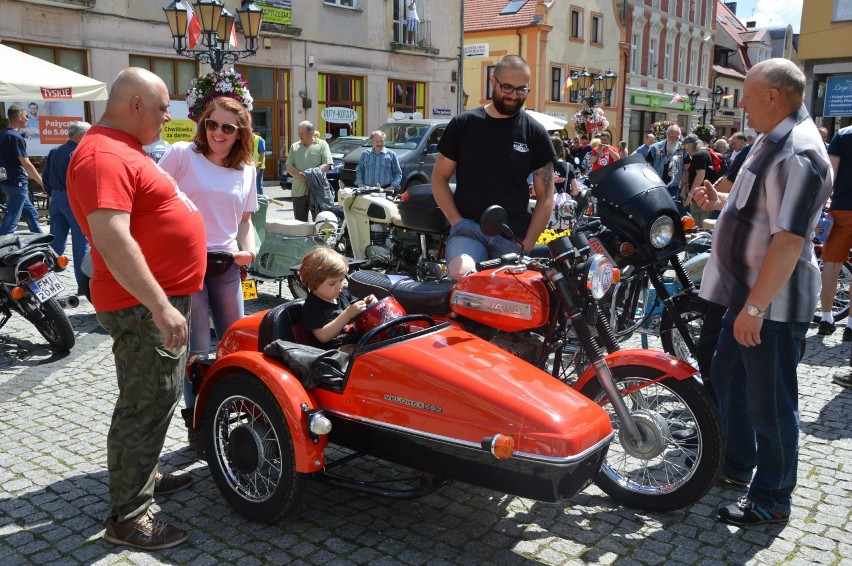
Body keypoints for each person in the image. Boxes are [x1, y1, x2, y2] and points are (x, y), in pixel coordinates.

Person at [67, 67, 206, 549]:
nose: (170, 117)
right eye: (164, 107)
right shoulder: (104, 154)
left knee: (155, 397)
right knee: (144, 405)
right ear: (136, 106)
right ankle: (129, 517)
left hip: (153, 300)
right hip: (142, 305)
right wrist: (161, 306)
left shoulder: (122, 148)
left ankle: (142, 478)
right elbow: (110, 236)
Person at [692, 58, 833, 526]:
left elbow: (789, 239)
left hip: (768, 304)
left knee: (770, 402)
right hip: (747, 297)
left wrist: (755, 306)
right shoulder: (769, 142)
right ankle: (736, 464)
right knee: (728, 377)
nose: (742, 105)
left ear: (773, 97)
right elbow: (756, 212)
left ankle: (772, 498)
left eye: (748, 96)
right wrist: (719, 205)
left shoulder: (796, 151)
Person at [157, 96, 258, 455]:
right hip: (187, 265)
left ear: (239, 133)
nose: (217, 132)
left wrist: (251, 248)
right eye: (212, 124)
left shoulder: (246, 168)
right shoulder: (183, 153)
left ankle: (239, 418)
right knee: (197, 352)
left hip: (227, 265)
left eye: (227, 127)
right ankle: (198, 427)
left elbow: (245, 223)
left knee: (238, 346)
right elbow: (152, 199)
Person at [431, 54, 556, 280]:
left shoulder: (535, 133)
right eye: (507, 87)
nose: (513, 95)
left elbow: (546, 195)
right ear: (492, 81)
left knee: (514, 297)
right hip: (469, 231)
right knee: (463, 273)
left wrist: (527, 243)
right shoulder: (464, 124)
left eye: (521, 90)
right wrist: (457, 221)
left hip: (512, 237)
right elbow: (439, 178)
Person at [42, 121, 92, 294]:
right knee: (81, 243)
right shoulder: (77, 153)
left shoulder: (54, 151)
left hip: (56, 198)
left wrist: (53, 193)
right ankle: (82, 286)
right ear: (80, 137)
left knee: (54, 244)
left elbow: (45, 177)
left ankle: (41, 282)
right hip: (72, 199)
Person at [300, 247, 376, 355]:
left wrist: (369, 303)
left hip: (358, 343)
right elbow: (323, 336)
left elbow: (358, 309)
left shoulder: (344, 295)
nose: (340, 286)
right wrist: (347, 314)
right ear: (314, 283)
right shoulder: (312, 307)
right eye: (332, 283)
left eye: (341, 280)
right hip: (332, 354)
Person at [817, 125, 852, 339]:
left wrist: (821, 207)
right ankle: (850, 325)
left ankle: (826, 318)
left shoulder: (843, 134)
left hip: (841, 207)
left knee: (831, 264)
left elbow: (831, 174)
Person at [0, 104, 45, 235]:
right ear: (19, 117)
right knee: (11, 221)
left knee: (32, 215)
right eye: (26, 116)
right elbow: (26, 163)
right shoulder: (16, 137)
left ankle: (42, 242)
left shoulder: (2, 135)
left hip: (7, 182)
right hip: (17, 183)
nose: (27, 119)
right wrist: (41, 181)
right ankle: (3, 250)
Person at [285, 121, 331, 221]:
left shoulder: (322, 145)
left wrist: (310, 176)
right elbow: (288, 166)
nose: (299, 136)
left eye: (302, 133)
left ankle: (317, 238)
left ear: (311, 133)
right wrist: (302, 176)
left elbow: (326, 165)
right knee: (300, 224)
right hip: (299, 192)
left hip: (317, 191)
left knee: (319, 222)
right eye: (299, 133)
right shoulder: (294, 146)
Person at [646, 124, 690, 216]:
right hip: (657, 184)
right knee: (657, 207)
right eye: (671, 137)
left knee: (672, 209)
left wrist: (685, 185)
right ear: (666, 135)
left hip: (674, 184)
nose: (674, 140)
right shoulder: (655, 147)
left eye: (676, 137)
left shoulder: (682, 148)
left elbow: (687, 168)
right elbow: (647, 166)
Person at [680, 133, 720, 227]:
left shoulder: (698, 156)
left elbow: (700, 174)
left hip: (700, 196)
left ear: (689, 145)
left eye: (685, 147)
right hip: (706, 195)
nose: (686, 150)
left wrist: (691, 194)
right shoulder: (706, 152)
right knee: (704, 223)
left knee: (699, 225)